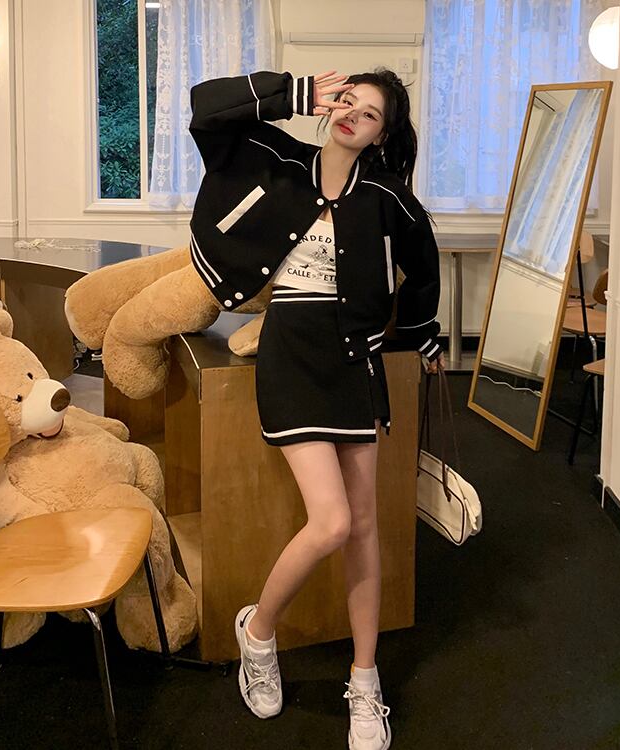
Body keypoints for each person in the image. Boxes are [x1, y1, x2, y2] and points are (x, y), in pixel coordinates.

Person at [188, 68, 445, 750]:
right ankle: (258, 632)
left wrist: (420, 337)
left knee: (363, 527)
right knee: (331, 522)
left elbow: (424, 267)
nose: (351, 113)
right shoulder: (278, 160)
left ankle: (365, 681)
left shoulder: (388, 197)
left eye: (370, 112)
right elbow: (206, 109)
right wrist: (292, 93)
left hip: (355, 363)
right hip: (293, 357)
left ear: (383, 135)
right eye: (345, 101)